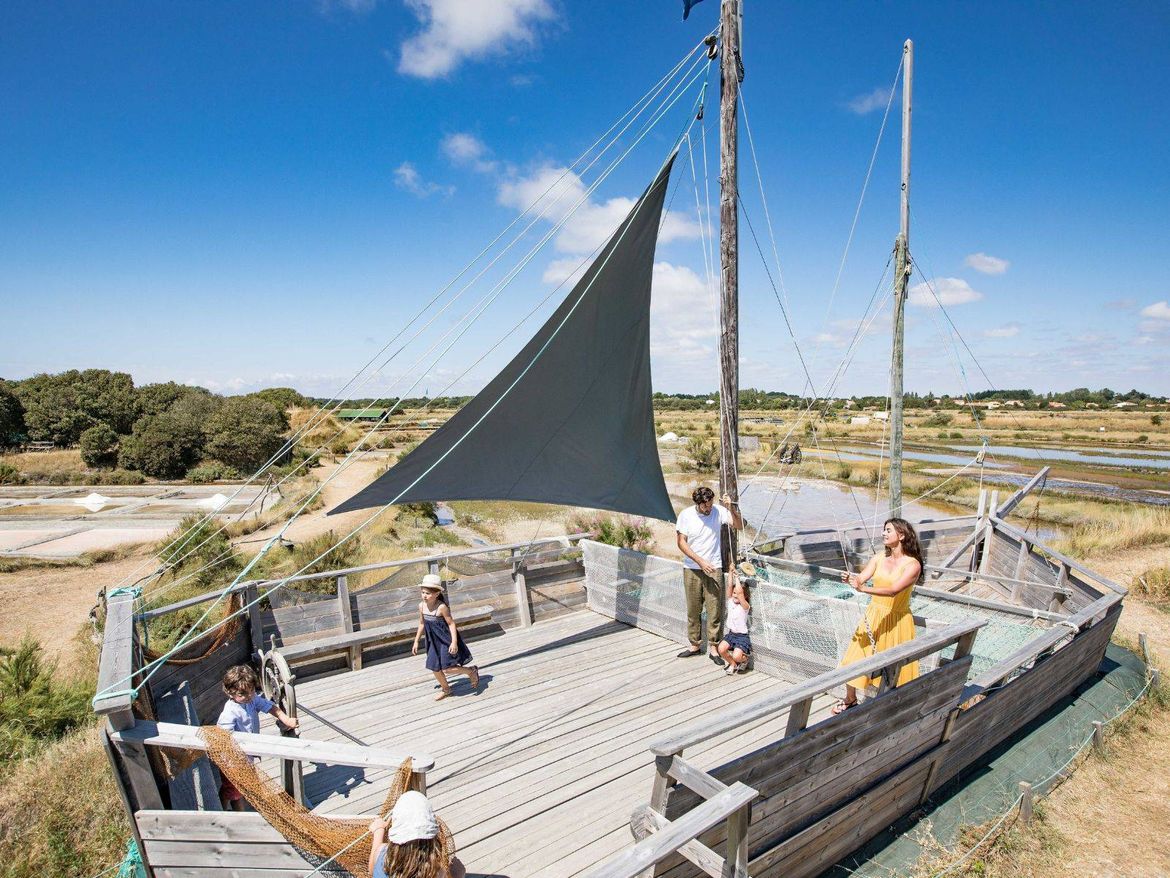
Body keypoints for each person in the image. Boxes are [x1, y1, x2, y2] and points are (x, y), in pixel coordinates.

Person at [832, 517, 924, 714]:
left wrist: (864, 588)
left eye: (888, 530)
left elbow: (893, 590)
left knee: (895, 667)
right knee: (853, 657)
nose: (883, 533)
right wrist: (852, 580)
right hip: (873, 615)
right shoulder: (878, 558)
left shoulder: (912, 565)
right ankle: (850, 699)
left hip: (897, 620)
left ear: (901, 535)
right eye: (884, 530)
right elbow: (861, 579)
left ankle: (894, 706)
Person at [216, 664, 298, 810]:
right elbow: (223, 738)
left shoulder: (252, 699)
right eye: (242, 695)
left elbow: (270, 706)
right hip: (232, 760)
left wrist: (286, 720)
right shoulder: (229, 713)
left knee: (237, 788)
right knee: (235, 791)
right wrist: (234, 761)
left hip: (247, 757)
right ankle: (227, 811)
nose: (248, 697)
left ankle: (227, 805)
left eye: (252, 691)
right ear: (230, 693)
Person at [675, 486, 743, 662]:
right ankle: (695, 645)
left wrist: (731, 508)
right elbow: (681, 543)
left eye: (710, 503)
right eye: (705, 505)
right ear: (697, 503)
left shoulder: (718, 511)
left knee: (714, 609)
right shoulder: (686, 515)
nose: (709, 508)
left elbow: (739, 526)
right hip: (692, 567)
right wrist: (700, 561)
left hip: (715, 568)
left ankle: (714, 648)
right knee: (693, 608)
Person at [412, 573, 480, 700]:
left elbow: (451, 624)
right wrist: (416, 641)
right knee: (434, 667)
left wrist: (454, 642)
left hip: (445, 641)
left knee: (447, 669)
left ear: (437, 593)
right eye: (423, 592)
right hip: (432, 641)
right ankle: (446, 689)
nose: (424, 596)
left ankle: (471, 671)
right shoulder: (421, 606)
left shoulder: (442, 607)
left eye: (428, 593)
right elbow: (421, 623)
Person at [368, 790, 466, 878]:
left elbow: (371, 871)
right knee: (458, 869)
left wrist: (379, 830)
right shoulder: (437, 872)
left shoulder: (381, 854)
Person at [717, 574, 751, 674]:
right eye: (734, 593)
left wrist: (737, 578)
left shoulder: (745, 606)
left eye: (737, 594)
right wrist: (731, 572)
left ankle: (744, 660)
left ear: (745, 596)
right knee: (721, 649)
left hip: (741, 636)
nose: (735, 595)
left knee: (737, 656)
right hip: (732, 634)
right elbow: (729, 586)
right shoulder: (731, 601)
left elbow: (740, 594)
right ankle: (733, 664)